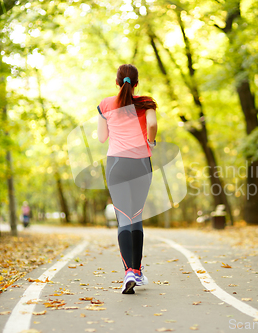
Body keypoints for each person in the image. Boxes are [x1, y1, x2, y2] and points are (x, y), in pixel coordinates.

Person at [97, 64, 157, 294]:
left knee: (123, 218)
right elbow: (151, 124)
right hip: (141, 164)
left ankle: (129, 272)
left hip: (117, 165)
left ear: (117, 82)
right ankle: (138, 270)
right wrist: (150, 141)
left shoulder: (105, 104)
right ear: (137, 82)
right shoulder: (146, 102)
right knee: (136, 216)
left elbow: (102, 138)